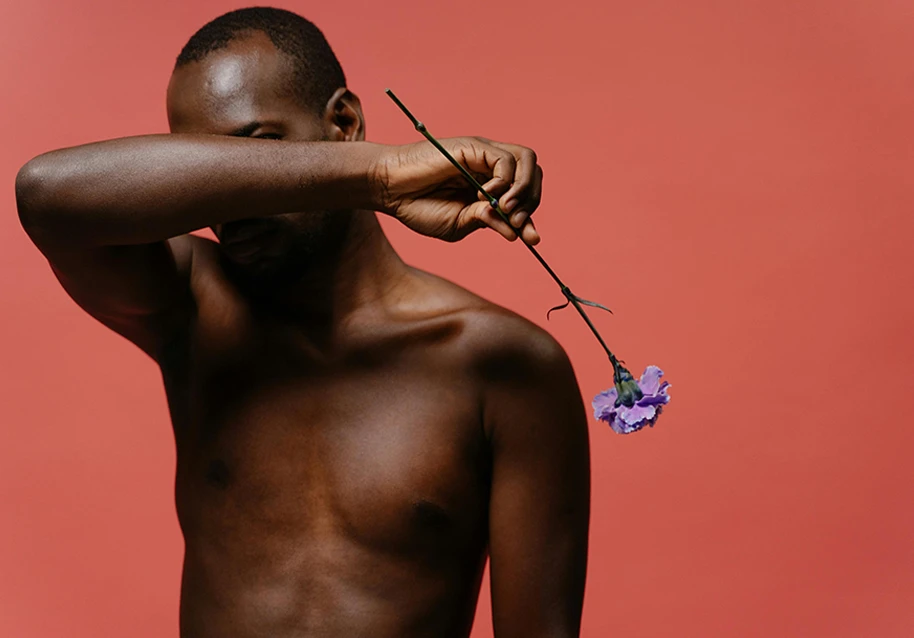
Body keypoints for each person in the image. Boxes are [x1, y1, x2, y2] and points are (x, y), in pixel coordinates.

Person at [15, 7, 590, 638]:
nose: (235, 203)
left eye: (256, 151)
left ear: (342, 122)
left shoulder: (504, 366)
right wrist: (376, 174)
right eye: (212, 172)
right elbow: (46, 193)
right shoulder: (193, 308)